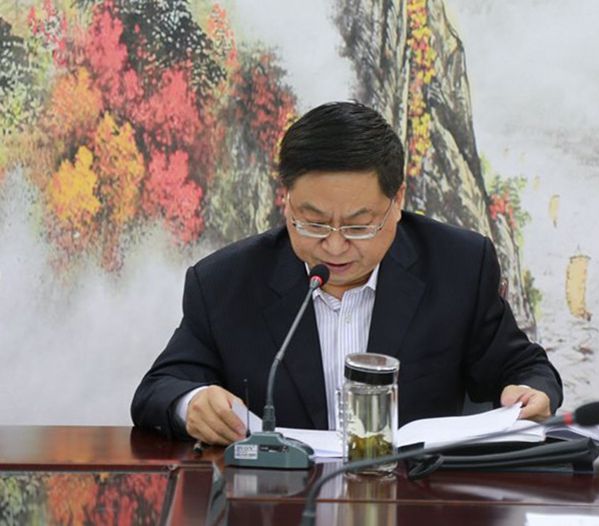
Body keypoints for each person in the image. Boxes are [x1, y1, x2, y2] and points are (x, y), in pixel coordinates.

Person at [131, 101, 562, 446]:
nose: (334, 246)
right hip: (278, 504)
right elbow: (160, 387)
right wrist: (191, 403)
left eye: (358, 226)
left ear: (397, 202)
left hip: (414, 502)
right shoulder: (226, 282)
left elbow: (524, 367)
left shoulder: (458, 266)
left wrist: (530, 391)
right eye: (313, 223)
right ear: (286, 201)